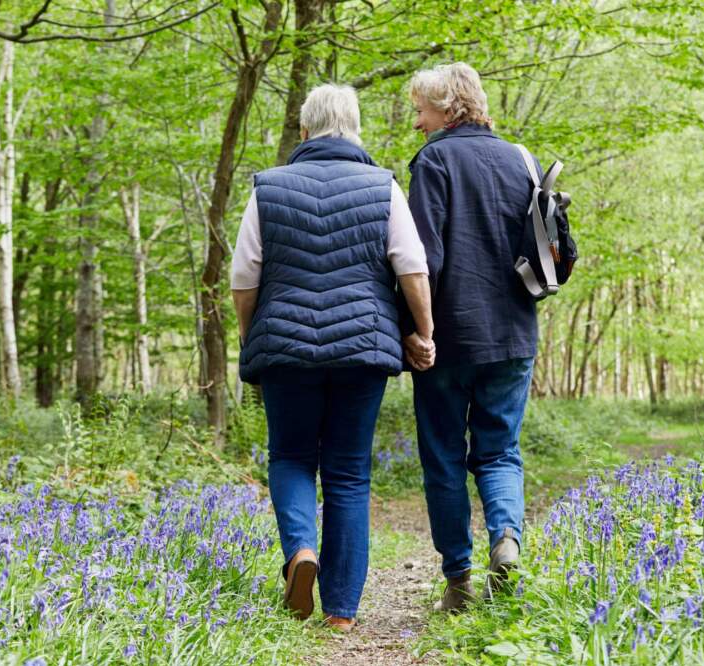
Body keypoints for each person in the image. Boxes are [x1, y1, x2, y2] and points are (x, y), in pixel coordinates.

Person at [231, 84, 435, 631]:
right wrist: (423, 331)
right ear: (355, 130)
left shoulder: (267, 188)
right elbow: (411, 267)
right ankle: (341, 611)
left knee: (291, 457)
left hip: (286, 349)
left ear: (303, 131)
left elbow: (244, 277)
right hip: (361, 349)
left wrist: (254, 339)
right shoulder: (382, 186)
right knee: (348, 473)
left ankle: (300, 552)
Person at [401, 62, 573, 611]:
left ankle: (458, 581)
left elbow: (423, 258)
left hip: (448, 338)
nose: (417, 122)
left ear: (447, 108)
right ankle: (507, 539)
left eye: (421, 110)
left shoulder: (433, 161)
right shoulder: (521, 158)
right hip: (513, 333)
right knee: (500, 453)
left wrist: (416, 330)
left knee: (445, 457)